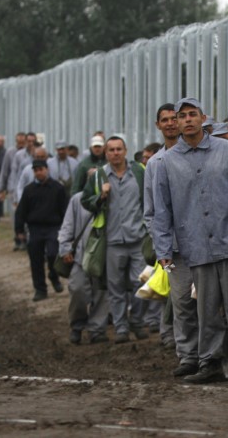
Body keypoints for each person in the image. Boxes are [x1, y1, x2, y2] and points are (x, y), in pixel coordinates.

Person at [152, 97, 228, 383]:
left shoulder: (226, 151)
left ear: (204, 118)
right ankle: (210, 362)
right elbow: (161, 210)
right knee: (205, 310)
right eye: (182, 116)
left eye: (193, 114)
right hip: (195, 247)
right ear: (175, 123)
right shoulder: (166, 162)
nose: (188, 120)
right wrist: (163, 248)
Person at [144, 103, 201, 375]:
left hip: (205, 245)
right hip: (177, 248)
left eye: (172, 119)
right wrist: (162, 244)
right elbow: (151, 211)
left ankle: (209, 354)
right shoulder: (155, 164)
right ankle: (187, 355)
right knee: (181, 304)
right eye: (164, 120)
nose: (169, 124)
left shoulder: (195, 155)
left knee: (209, 303)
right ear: (159, 125)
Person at [82, 135, 148, 344]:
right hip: (112, 241)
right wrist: (100, 197)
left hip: (138, 238)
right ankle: (121, 328)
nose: (115, 153)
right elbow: (85, 201)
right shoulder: (99, 176)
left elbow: (150, 200)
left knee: (142, 283)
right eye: (111, 150)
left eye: (119, 149)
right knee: (116, 287)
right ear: (105, 153)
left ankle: (137, 321)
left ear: (126, 151)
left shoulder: (139, 172)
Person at [57, 189, 109, 344]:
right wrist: (65, 248)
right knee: (77, 289)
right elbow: (67, 225)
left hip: (104, 255)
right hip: (80, 255)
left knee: (101, 293)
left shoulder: (112, 199)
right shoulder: (77, 199)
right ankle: (77, 326)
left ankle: (97, 329)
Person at [15, 159, 67, 301]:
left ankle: (54, 275)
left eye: (41, 169)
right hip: (35, 228)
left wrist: (67, 229)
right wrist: (19, 230)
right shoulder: (29, 190)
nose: (39, 172)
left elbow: (65, 210)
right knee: (36, 260)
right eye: (36, 170)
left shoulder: (57, 188)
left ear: (47, 169)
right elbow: (21, 211)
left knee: (53, 254)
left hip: (53, 228)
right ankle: (40, 289)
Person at [0, 132, 27, 249]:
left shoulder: (28, 153)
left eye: (22, 142)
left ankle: (25, 238)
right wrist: (1, 189)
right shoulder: (10, 152)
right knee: (15, 215)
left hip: (25, 188)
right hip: (13, 188)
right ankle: (17, 238)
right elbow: (5, 171)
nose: (20, 144)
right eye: (18, 142)